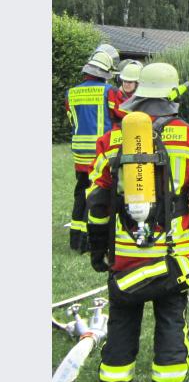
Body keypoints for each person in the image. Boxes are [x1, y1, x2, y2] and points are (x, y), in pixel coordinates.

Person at [85, 62, 189, 382]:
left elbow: (97, 202)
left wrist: (98, 248)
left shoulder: (111, 140)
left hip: (125, 262)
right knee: (172, 327)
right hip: (172, 260)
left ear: (139, 95)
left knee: (122, 327)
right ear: (172, 96)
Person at [65, 47, 122, 251]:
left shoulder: (71, 93)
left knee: (81, 191)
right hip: (100, 153)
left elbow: (72, 120)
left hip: (80, 154)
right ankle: (92, 238)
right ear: (105, 73)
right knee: (98, 193)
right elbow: (123, 113)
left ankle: (76, 239)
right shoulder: (110, 92)